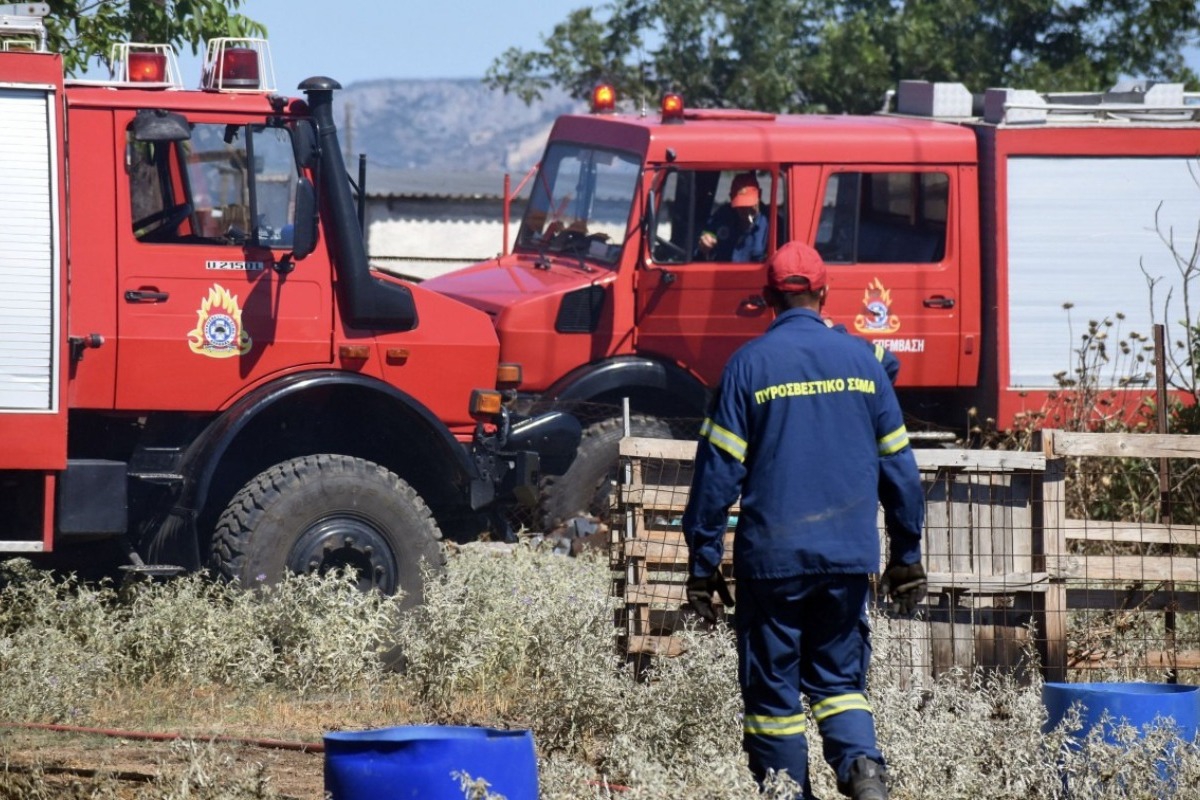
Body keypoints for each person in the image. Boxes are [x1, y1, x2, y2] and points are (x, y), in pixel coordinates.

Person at [681, 241, 926, 800]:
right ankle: (864, 774)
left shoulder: (747, 367)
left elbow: (716, 478)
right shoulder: (864, 364)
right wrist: (906, 557)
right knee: (839, 684)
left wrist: (702, 564)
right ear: (825, 293)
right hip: (846, 559)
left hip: (772, 564)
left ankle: (787, 791)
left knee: (774, 699)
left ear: (768, 297)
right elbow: (902, 472)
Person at [697, 171, 770, 262]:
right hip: (723, 274)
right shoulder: (722, 216)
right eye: (741, 207)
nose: (746, 211)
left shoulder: (771, 222)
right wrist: (704, 243)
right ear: (731, 198)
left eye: (750, 205)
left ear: (760, 195)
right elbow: (706, 236)